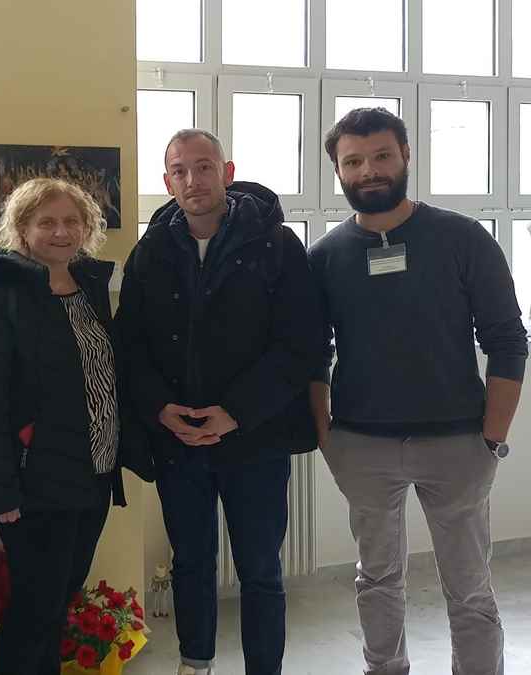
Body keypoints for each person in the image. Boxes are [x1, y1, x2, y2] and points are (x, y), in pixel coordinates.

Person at [307, 107, 529, 675]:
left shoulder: (462, 238)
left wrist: (492, 440)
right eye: (353, 161)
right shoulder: (325, 257)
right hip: (362, 446)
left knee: (469, 587)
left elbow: (507, 341)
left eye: (382, 155)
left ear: (406, 156)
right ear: (338, 170)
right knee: (376, 580)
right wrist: (328, 439)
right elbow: (311, 355)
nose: (369, 171)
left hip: (458, 444)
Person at [115, 129, 322, 675]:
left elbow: (301, 343)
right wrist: (161, 408)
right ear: (167, 182)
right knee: (190, 562)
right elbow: (129, 344)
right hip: (179, 440)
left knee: (260, 569)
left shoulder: (277, 245)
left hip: (256, 438)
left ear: (227, 173)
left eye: (204, 167)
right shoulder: (150, 251)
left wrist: (236, 413)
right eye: (180, 171)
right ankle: (195, 664)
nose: (193, 180)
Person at [0, 177, 151, 675]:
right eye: (47, 222)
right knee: (34, 609)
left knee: (57, 602)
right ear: (22, 230)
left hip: (93, 474)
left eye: (71, 221)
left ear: (87, 228)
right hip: (34, 483)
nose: (61, 232)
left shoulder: (88, 289)